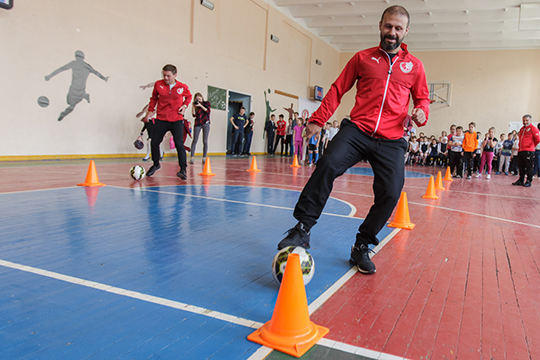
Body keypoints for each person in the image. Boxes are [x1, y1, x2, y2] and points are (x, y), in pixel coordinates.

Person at [276, 5, 430, 275]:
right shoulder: (362, 58)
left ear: (406, 31)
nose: (391, 32)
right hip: (357, 130)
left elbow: (422, 99)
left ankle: (361, 245)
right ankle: (302, 228)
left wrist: (421, 113)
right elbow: (337, 89)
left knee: (392, 192)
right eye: (388, 26)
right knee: (327, 164)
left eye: (397, 28)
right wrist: (318, 119)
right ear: (380, 25)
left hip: (392, 138)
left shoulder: (415, 67)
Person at [144, 64, 192, 179]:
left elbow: (189, 97)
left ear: (175, 75)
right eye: (164, 75)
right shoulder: (158, 84)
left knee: (179, 144)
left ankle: (183, 169)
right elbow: (154, 98)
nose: (166, 78)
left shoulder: (182, 87)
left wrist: (184, 106)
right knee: (154, 142)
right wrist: (150, 111)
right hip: (161, 119)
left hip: (176, 119)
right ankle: (156, 164)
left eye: (168, 76)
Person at [45, 50, 109, 121]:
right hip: (79, 89)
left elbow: (61, 69)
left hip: (75, 89)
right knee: (70, 103)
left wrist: (49, 76)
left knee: (71, 104)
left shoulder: (75, 64)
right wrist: (104, 78)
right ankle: (84, 95)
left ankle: (64, 113)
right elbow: (96, 73)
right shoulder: (86, 66)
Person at [512, 115, 540, 187]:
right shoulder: (521, 129)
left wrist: (531, 146)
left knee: (529, 166)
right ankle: (521, 180)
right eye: (524, 120)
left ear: (530, 120)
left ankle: (528, 181)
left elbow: (537, 139)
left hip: (529, 150)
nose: (525, 122)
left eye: (527, 120)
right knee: (521, 166)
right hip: (521, 150)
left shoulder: (534, 129)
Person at [190, 93, 211, 164]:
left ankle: (204, 157)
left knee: (205, 140)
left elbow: (207, 111)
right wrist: (193, 107)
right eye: (197, 99)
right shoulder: (196, 106)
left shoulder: (206, 103)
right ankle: (192, 157)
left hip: (206, 123)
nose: (198, 100)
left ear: (202, 98)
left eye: (199, 99)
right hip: (198, 123)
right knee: (195, 140)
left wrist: (200, 105)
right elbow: (194, 115)